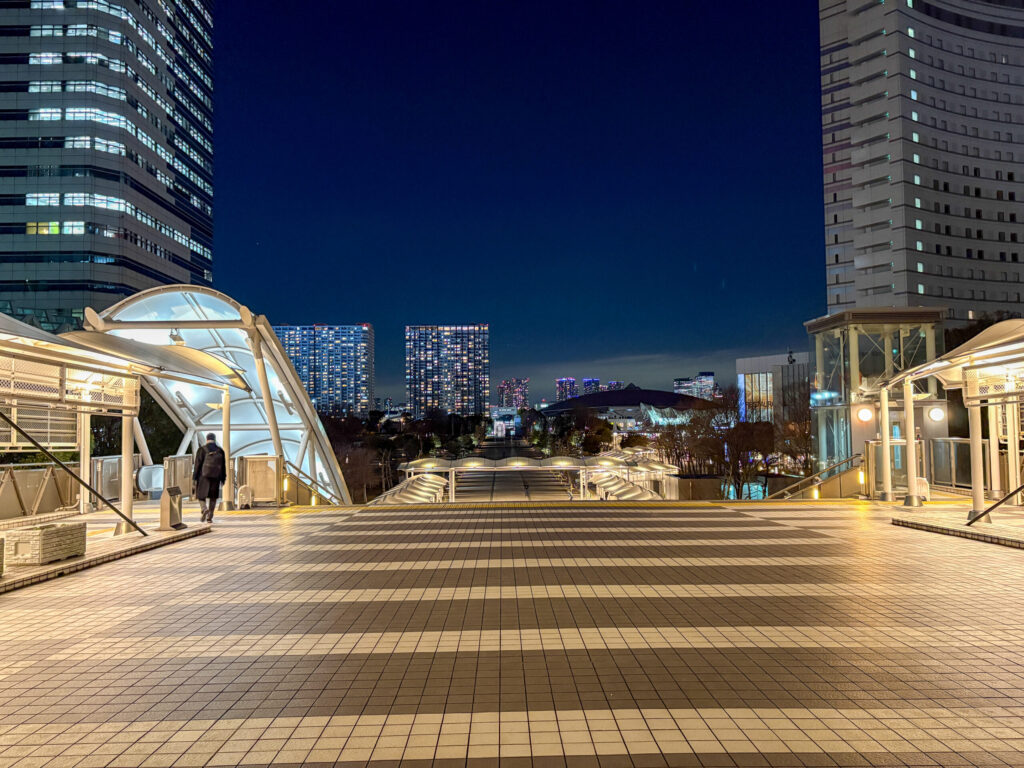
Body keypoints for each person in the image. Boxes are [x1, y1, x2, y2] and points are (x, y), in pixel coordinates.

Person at [193, 432, 226, 523]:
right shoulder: (220, 450)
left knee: (201, 496)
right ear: (214, 440)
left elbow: (197, 465)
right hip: (215, 478)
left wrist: (194, 477)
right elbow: (223, 466)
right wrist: (223, 478)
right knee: (213, 497)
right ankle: (210, 516)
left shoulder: (201, 450)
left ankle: (204, 509)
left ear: (207, 439)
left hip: (203, 477)